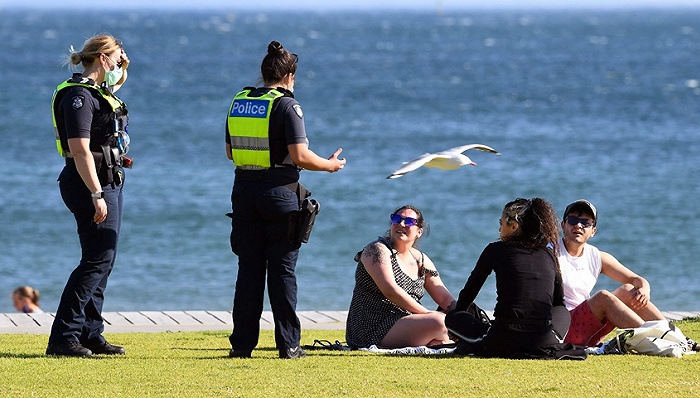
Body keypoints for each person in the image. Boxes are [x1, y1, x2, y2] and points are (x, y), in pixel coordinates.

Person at [225, 41, 346, 359]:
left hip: (244, 192)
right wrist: (330, 165)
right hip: (279, 194)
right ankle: (289, 345)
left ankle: (242, 345)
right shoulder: (287, 106)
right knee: (282, 272)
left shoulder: (240, 101)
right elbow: (300, 155)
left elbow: (229, 152)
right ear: (290, 75)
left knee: (248, 271)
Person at [47, 34, 131, 357]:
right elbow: (80, 150)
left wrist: (124, 65)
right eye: (115, 58)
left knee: (104, 259)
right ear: (102, 58)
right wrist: (96, 193)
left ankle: (90, 332)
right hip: (89, 183)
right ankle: (63, 337)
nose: (118, 64)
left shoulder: (97, 91)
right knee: (95, 260)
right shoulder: (78, 96)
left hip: (108, 180)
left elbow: (115, 86)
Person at [446, 198, 583, 359]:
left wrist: (460, 316)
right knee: (562, 311)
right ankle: (551, 338)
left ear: (513, 226)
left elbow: (469, 292)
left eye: (501, 223)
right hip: (542, 341)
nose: (499, 229)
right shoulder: (548, 254)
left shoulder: (495, 249)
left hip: (502, 341)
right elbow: (558, 302)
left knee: (452, 317)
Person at [557, 199, 667, 347]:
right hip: (563, 329)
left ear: (593, 231)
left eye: (586, 223)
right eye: (573, 220)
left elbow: (636, 279)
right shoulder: (550, 253)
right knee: (602, 297)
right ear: (563, 225)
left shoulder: (596, 256)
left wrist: (644, 289)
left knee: (629, 290)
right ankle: (656, 342)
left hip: (587, 328)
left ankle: (678, 339)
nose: (578, 225)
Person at [345, 205, 456, 349]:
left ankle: (439, 341)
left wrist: (461, 314)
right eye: (397, 219)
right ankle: (439, 339)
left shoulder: (420, 259)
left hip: (406, 321)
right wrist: (427, 314)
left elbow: (444, 298)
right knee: (440, 322)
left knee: (453, 320)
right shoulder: (377, 250)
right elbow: (390, 290)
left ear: (419, 232)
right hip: (372, 328)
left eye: (409, 221)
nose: (401, 224)